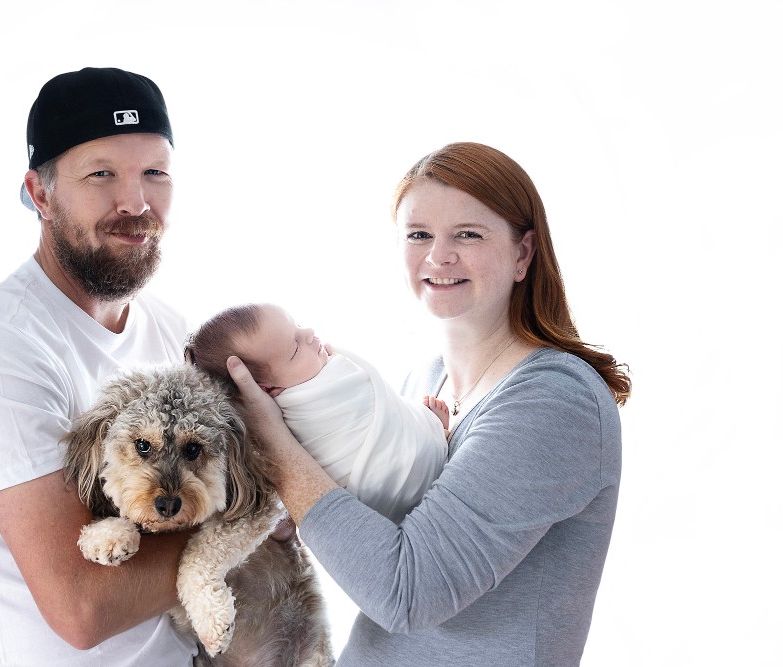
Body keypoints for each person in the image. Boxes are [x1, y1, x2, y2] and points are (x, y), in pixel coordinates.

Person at [225, 142, 631, 666]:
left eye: (468, 234)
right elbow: (366, 547)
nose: (439, 256)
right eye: (419, 235)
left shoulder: (554, 400)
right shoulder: (424, 381)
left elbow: (405, 593)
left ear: (523, 254)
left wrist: (274, 447)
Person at [0, 67, 200, 665]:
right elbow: (82, 606)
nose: (136, 202)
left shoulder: (171, 328)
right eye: (101, 174)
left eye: (155, 173)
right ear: (41, 194)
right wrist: (249, 525)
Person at [184, 302, 449, 523]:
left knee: (386, 413)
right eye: (295, 348)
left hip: (402, 467)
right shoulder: (294, 410)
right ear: (267, 389)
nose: (309, 333)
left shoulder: (320, 372)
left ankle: (421, 427)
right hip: (387, 487)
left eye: (298, 325)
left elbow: (364, 398)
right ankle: (428, 427)